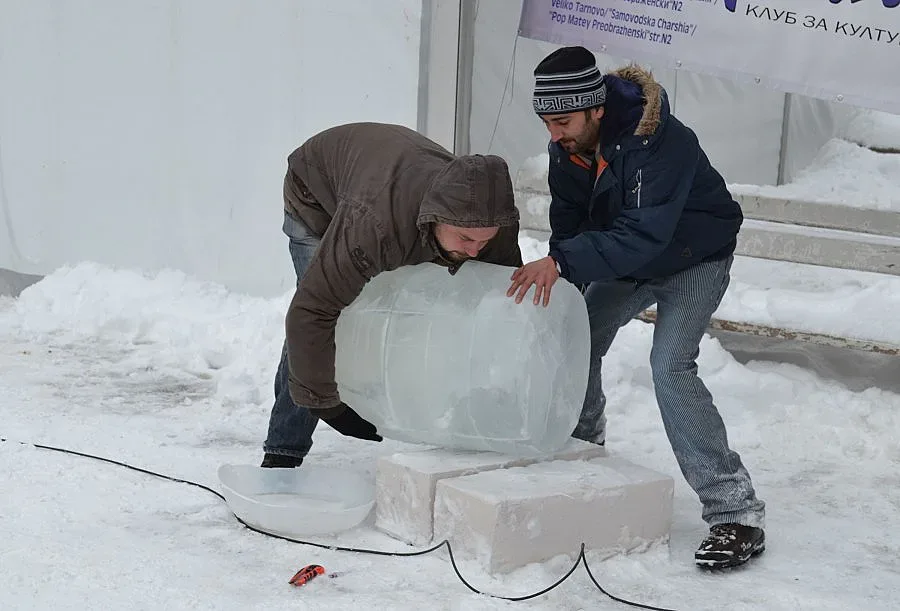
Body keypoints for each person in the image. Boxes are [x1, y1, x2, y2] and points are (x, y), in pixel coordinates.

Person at [506, 46, 766, 569]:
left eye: (562, 120)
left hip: (694, 259)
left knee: (669, 367)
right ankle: (582, 450)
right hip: (631, 259)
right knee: (575, 337)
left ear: (596, 108)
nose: (553, 133)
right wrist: (566, 278)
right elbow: (571, 221)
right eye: (546, 121)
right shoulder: (568, 148)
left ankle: (735, 513)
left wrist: (561, 262)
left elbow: (645, 233)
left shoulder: (661, 141)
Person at [262, 122, 522, 470]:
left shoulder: (491, 222)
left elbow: (494, 300)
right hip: (315, 193)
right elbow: (311, 311)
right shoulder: (373, 226)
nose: (476, 251)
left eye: (484, 241)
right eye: (464, 239)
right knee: (327, 310)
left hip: (386, 177)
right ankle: (284, 450)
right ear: (436, 217)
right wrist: (327, 405)